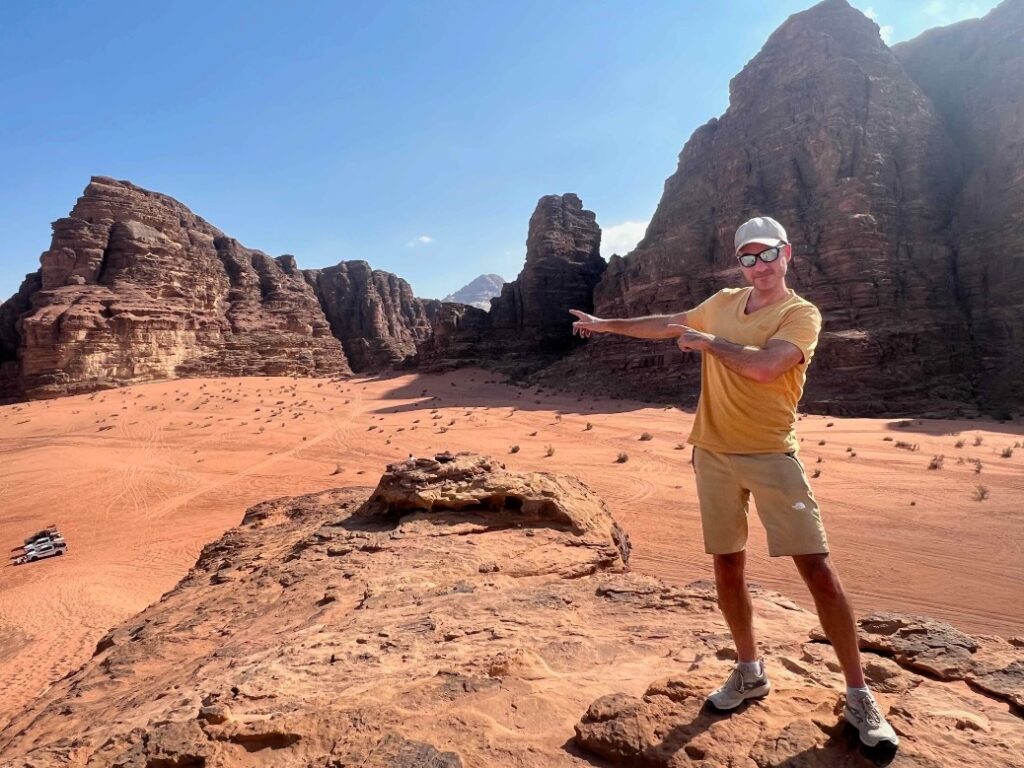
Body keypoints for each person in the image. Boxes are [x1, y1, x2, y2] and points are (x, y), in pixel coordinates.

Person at [569, 216, 899, 749]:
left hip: (771, 454)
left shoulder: (800, 314)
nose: (758, 266)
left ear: (786, 253)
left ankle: (859, 695)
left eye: (766, 254)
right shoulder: (723, 301)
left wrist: (709, 343)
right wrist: (605, 324)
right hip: (714, 454)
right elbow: (667, 323)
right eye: (747, 257)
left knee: (816, 567)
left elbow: (768, 367)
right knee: (727, 564)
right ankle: (750, 670)